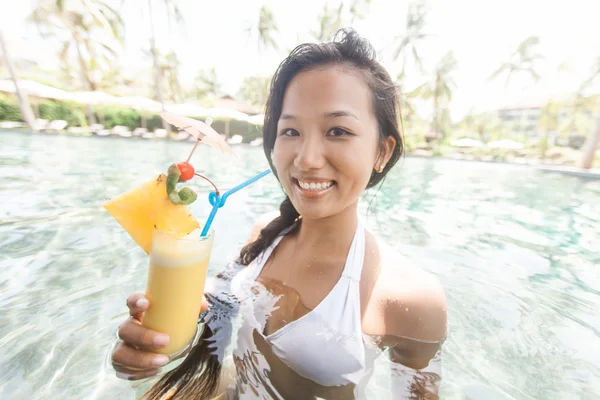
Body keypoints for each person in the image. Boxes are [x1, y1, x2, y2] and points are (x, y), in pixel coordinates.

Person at [112, 28, 447, 399]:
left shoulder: (410, 298)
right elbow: (217, 311)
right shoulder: (263, 236)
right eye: (290, 131)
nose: (306, 159)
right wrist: (154, 341)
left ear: (382, 151)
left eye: (337, 130)